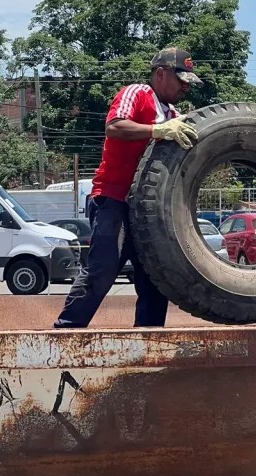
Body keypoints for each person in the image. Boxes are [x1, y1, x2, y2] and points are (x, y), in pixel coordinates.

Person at [54, 48, 202, 329]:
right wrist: (156, 131)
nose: (186, 87)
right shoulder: (137, 93)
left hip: (146, 207)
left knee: (155, 275)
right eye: (181, 79)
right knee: (103, 268)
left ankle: (148, 340)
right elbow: (114, 126)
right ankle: (66, 331)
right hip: (113, 198)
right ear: (160, 74)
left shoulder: (173, 114)